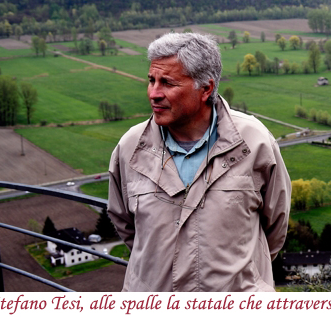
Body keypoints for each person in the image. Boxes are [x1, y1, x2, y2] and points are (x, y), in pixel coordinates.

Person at [107, 32, 290, 291]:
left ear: (206, 88)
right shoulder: (131, 147)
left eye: (167, 83)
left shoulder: (254, 141)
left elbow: (276, 224)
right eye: (151, 80)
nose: (154, 93)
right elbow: (125, 225)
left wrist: (246, 279)